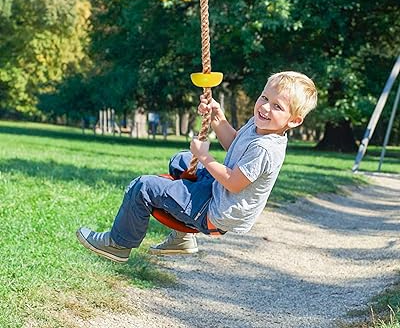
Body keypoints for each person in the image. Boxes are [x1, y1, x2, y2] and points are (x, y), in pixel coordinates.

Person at [76, 71, 318, 262]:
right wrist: (217, 117)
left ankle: (118, 244)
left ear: (295, 120)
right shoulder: (259, 127)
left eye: (277, 106)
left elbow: (235, 182)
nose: (265, 107)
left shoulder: (265, 148)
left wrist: (204, 157)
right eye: (264, 98)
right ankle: (181, 238)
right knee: (181, 160)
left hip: (216, 211)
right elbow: (234, 144)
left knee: (144, 186)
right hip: (218, 192)